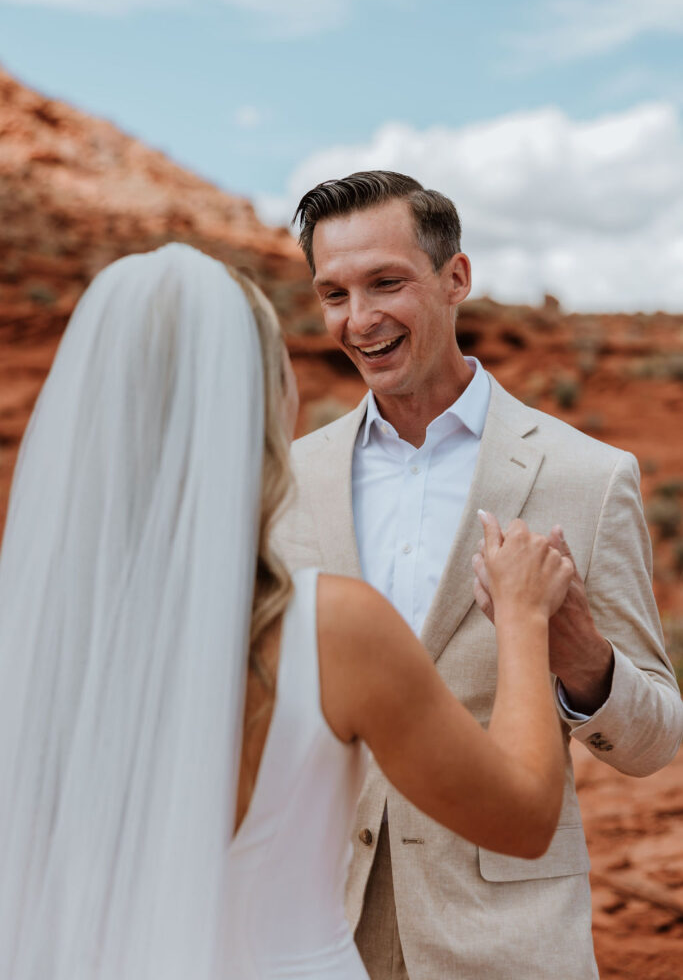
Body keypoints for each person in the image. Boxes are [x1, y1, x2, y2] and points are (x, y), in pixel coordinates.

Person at [0, 242, 577, 980]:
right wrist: (524, 622)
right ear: (261, 404)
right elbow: (522, 819)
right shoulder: (334, 630)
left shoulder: (28, 640)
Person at [278, 171, 683, 980]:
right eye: (334, 294)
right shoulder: (288, 480)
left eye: (386, 283)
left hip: (504, 943)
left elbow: (654, 744)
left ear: (455, 278)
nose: (358, 321)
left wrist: (581, 657)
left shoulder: (587, 474)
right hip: (314, 932)